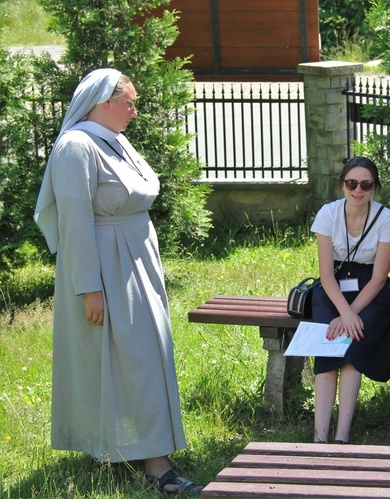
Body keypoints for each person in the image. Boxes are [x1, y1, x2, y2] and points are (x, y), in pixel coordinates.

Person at [34, 68, 202, 494]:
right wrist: (90, 287)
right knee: (133, 357)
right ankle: (156, 462)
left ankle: (134, 446)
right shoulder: (76, 148)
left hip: (135, 260)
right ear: (102, 102)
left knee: (144, 353)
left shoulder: (116, 141)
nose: (134, 110)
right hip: (106, 266)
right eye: (128, 102)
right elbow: (74, 224)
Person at [310, 156, 390, 444]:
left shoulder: (385, 218)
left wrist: (350, 314)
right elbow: (325, 274)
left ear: (375, 188)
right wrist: (343, 312)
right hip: (334, 287)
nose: (357, 190)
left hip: (370, 293)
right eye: (351, 183)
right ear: (342, 186)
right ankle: (319, 437)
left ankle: (341, 437)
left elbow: (378, 278)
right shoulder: (327, 214)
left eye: (365, 184)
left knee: (353, 344)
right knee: (329, 343)